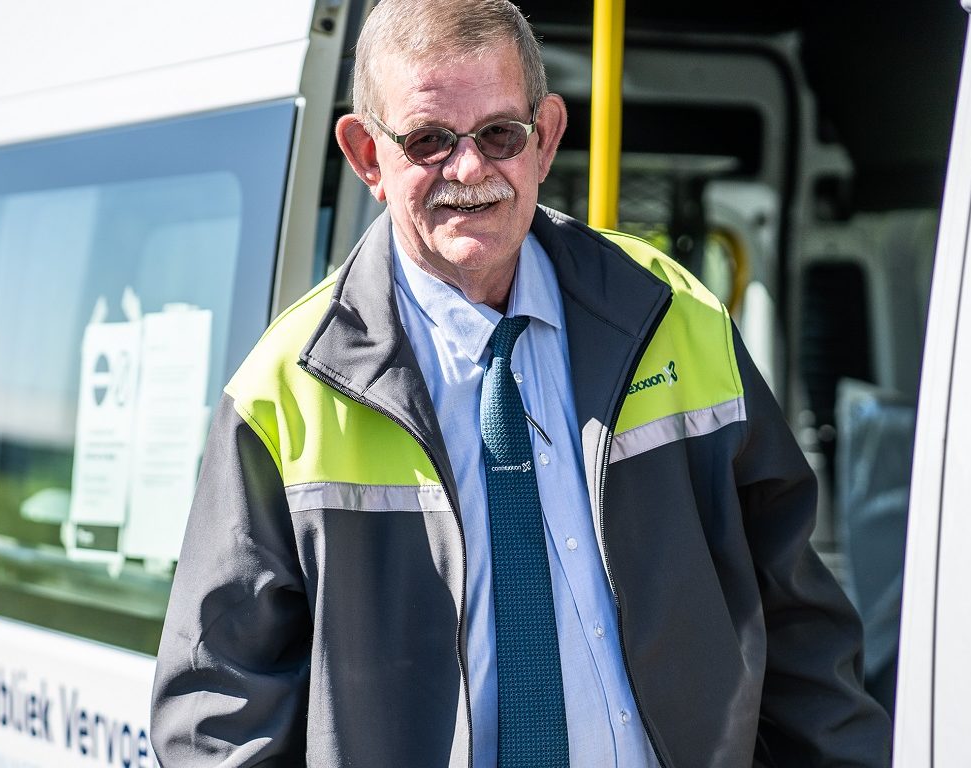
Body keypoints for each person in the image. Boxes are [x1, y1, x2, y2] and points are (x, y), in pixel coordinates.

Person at [150, 0, 892, 764]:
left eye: (500, 134)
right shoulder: (286, 389)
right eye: (430, 140)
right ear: (369, 156)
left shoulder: (674, 318)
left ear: (547, 139)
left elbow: (799, 631)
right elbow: (218, 716)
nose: (469, 170)